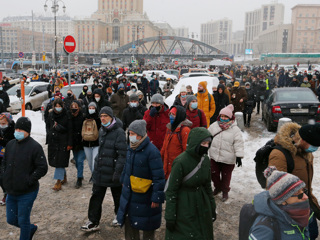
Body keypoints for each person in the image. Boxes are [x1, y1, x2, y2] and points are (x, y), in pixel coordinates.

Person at [268, 122, 320, 240]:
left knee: (312, 234)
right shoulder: (279, 155)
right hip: (290, 210)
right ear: (302, 140)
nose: (315, 148)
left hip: (304, 203)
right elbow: (274, 189)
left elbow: (307, 187)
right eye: (313, 145)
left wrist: (315, 207)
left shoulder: (306, 153)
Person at [117, 120, 165, 240]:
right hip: (131, 194)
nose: (130, 136)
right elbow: (126, 166)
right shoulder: (131, 148)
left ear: (140, 135)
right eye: (130, 133)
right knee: (130, 221)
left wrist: (156, 196)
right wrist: (123, 179)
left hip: (146, 195)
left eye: (133, 133)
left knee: (148, 224)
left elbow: (158, 176)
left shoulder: (152, 152)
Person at [165, 127, 216, 240]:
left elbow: (208, 186)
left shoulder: (205, 160)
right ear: (195, 143)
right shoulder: (181, 161)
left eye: (208, 143)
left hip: (202, 203)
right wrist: (170, 216)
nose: (206, 146)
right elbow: (172, 191)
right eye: (203, 143)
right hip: (184, 205)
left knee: (202, 233)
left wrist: (212, 207)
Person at [1, 117, 48, 239]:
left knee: (23, 220)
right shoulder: (10, 144)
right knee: (11, 220)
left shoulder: (35, 147)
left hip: (27, 191)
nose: (17, 131)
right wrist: (4, 176)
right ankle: (31, 228)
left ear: (28, 131)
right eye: (16, 128)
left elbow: (42, 167)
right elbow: (4, 163)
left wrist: (29, 180)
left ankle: (26, 231)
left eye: (21, 129)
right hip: (11, 191)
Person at [81, 106, 126, 232]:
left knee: (117, 196)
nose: (103, 118)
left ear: (111, 117)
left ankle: (119, 215)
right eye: (101, 116)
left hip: (113, 171)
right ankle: (93, 221)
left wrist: (118, 171)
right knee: (96, 196)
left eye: (105, 116)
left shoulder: (119, 132)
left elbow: (122, 154)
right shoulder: (102, 129)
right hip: (101, 170)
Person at [249, 166, 311, 240]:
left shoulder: (300, 215)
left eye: (304, 191)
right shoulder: (264, 228)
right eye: (299, 194)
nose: (306, 197)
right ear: (283, 201)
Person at [208, 104, 244, 202]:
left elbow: (238, 143)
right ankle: (218, 187)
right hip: (215, 155)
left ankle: (225, 191)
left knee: (226, 176)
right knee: (213, 173)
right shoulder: (214, 126)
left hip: (228, 158)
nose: (223, 118)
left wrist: (239, 156)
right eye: (222, 116)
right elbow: (207, 137)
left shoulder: (235, 129)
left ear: (230, 117)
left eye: (226, 116)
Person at [46, 98, 72, 191]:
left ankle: (58, 181)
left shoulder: (67, 115)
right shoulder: (51, 115)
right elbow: (48, 125)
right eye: (56, 106)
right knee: (56, 161)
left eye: (59, 106)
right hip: (53, 141)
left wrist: (69, 143)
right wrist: (49, 135)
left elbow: (70, 130)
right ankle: (63, 176)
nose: (58, 108)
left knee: (60, 161)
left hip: (63, 142)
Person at [161, 106, 191, 180]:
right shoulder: (169, 128)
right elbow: (164, 146)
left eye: (173, 114)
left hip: (177, 167)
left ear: (179, 116)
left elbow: (186, 152)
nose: (171, 116)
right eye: (170, 114)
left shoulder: (185, 130)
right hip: (167, 166)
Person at [70, 101, 86, 188]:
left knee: (80, 161)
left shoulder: (83, 117)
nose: (74, 108)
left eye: (75, 106)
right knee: (76, 161)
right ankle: (80, 173)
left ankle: (79, 179)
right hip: (74, 142)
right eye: (72, 106)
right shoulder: (69, 117)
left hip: (82, 142)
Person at [0, 113, 15, 206]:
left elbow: (12, 143)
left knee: (6, 176)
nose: (2, 125)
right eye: (0, 123)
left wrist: (2, 140)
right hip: (0, 156)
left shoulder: (13, 130)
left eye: (4, 123)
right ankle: (5, 192)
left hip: (9, 157)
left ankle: (9, 194)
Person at [82, 102, 101, 174]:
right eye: (90, 108)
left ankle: (94, 176)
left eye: (93, 108)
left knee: (94, 161)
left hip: (96, 143)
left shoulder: (99, 118)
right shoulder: (84, 118)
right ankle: (93, 174)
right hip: (86, 143)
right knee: (90, 162)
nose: (91, 110)